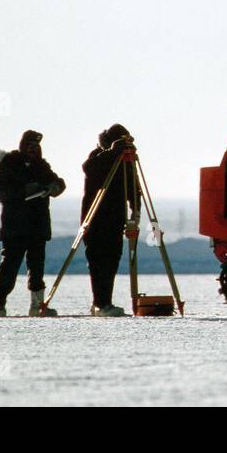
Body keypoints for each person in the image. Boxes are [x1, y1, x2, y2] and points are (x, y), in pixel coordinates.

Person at [0, 129, 66, 316]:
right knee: (9, 266)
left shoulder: (41, 165)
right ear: (23, 145)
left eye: (36, 146)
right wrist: (24, 191)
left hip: (37, 226)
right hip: (15, 227)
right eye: (30, 146)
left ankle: (37, 306)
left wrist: (54, 187)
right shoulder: (9, 164)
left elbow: (58, 182)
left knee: (37, 267)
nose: (33, 149)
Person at [81, 124, 136, 317]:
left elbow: (133, 188)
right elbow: (89, 169)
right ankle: (100, 303)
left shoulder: (124, 162)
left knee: (112, 261)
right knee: (98, 262)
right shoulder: (99, 155)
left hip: (115, 220)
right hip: (95, 220)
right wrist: (113, 153)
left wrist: (135, 214)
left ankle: (105, 302)